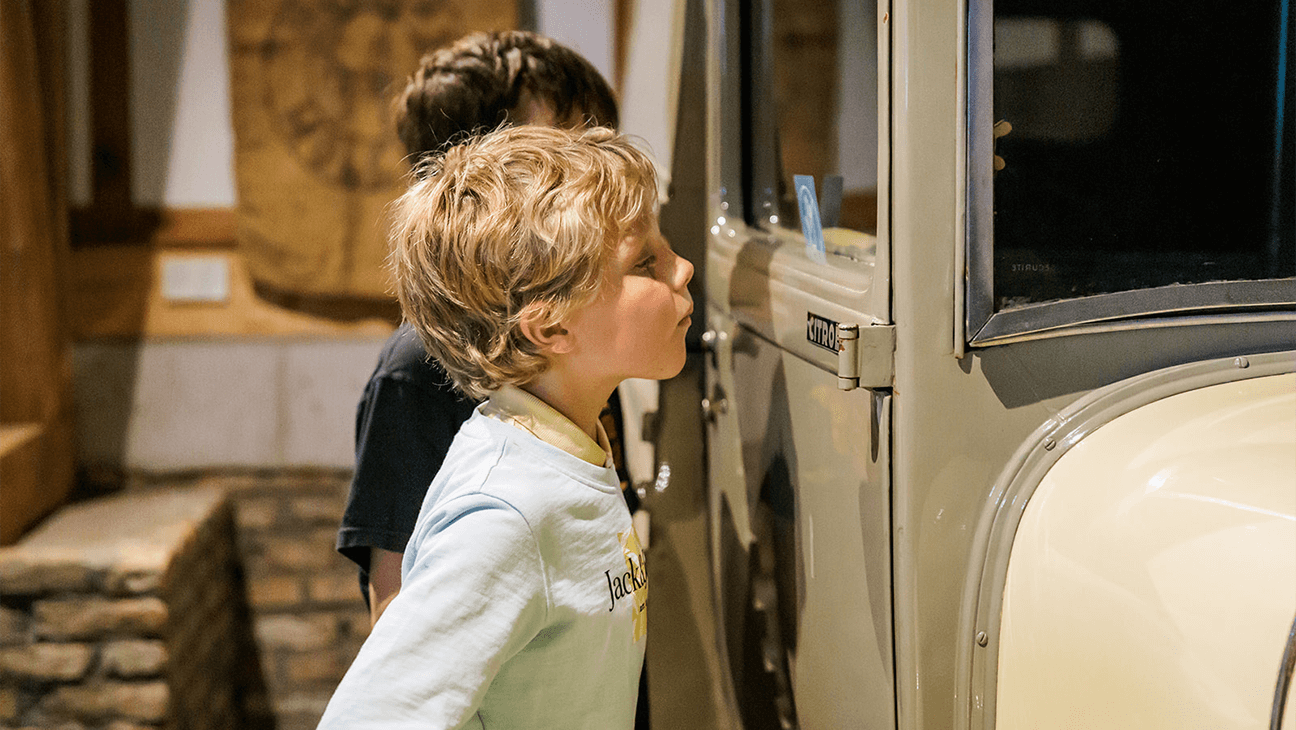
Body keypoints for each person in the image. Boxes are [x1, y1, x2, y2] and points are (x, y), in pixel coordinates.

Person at [317, 124, 692, 728]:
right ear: (551, 329)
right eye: (646, 262)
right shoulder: (506, 513)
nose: (683, 269)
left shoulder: (568, 449)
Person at [336, 31, 630, 625]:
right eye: (568, 150)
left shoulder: (569, 324)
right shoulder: (421, 366)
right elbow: (399, 612)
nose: (599, 172)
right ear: (481, 177)